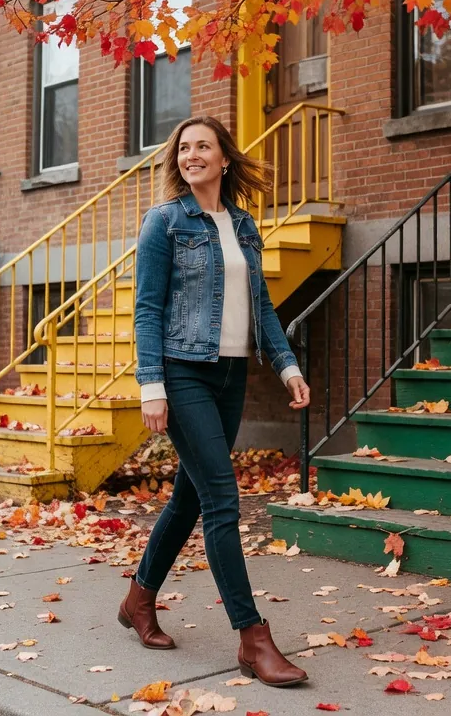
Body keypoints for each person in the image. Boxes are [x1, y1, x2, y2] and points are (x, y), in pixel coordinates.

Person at [118, 116, 312, 687]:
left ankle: (138, 600)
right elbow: (147, 309)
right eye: (184, 148)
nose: (192, 155)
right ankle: (253, 639)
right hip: (182, 373)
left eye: (203, 146)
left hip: (229, 377)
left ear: (225, 158)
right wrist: (151, 385)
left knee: (189, 497)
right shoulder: (165, 222)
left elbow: (262, 307)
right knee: (223, 499)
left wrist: (287, 365)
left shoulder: (245, 226)